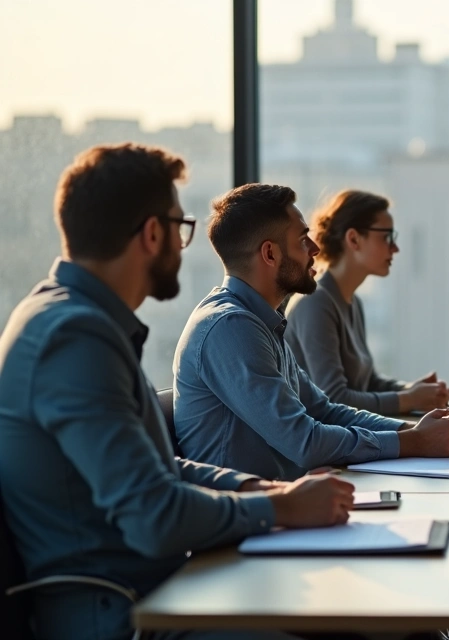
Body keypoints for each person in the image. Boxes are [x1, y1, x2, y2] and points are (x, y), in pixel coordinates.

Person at [0, 143, 353, 640]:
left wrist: (260, 489)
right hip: (131, 614)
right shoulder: (72, 338)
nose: (185, 245)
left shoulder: (74, 320)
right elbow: (154, 517)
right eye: (180, 228)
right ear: (151, 234)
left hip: (166, 587)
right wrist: (282, 509)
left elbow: (158, 464)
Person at [174, 183, 449, 481]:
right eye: (303, 240)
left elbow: (324, 410)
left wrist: (415, 431)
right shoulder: (231, 328)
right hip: (252, 519)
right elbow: (305, 442)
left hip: (289, 503)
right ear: (270, 254)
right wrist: (415, 441)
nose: (315, 249)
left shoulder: (261, 321)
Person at [284, 189, 449, 415]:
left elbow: (368, 382)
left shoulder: (352, 302)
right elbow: (334, 399)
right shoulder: (315, 303)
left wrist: (415, 391)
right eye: (386, 237)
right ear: (353, 239)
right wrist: (409, 399)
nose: (395, 248)